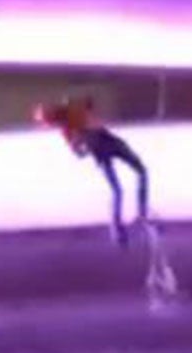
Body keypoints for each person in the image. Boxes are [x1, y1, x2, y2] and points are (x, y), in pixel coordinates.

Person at [33, 96, 151, 246]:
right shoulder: (68, 124)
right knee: (132, 179)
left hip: (105, 148)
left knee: (119, 189)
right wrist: (84, 142)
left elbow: (79, 152)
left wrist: (84, 144)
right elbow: (89, 107)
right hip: (108, 146)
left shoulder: (69, 122)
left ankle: (122, 227)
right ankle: (134, 218)